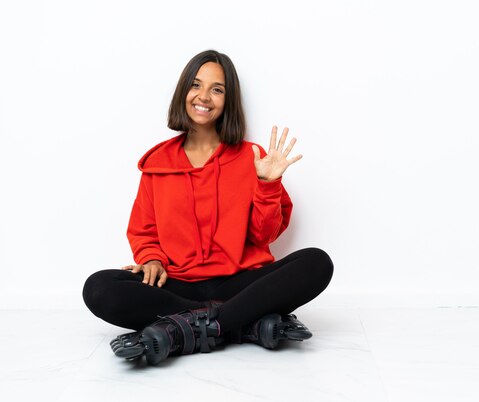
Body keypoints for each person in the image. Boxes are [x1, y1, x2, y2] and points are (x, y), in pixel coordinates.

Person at [82, 50, 334, 365]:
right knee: (99, 288)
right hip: (176, 285)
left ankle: (181, 329)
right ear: (183, 92)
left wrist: (268, 184)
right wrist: (151, 260)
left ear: (229, 100)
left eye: (217, 89)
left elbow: (263, 235)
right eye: (196, 85)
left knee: (316, 262)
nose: (204, 96)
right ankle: (244, 325)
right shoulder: (158, 163)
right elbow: (144, 229)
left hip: (239, 282)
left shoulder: (251, 157)